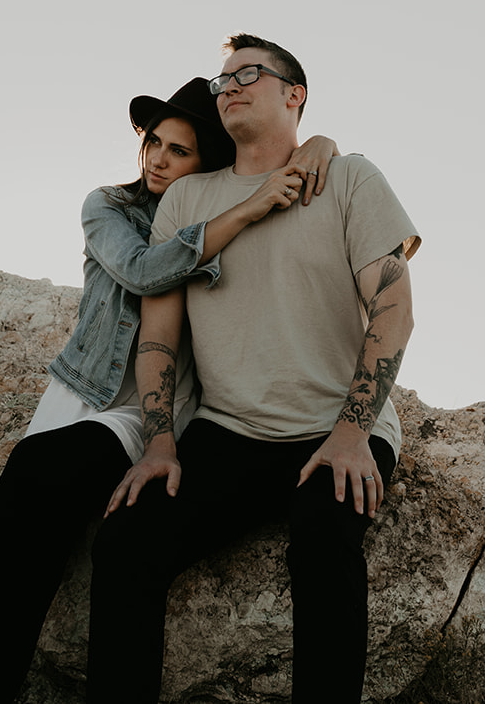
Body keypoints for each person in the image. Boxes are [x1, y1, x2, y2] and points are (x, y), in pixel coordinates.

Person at [0, 76, 338, 704]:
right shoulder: (109, 206)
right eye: (154, 142)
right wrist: (248, 209)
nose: (158, 158)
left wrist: (320, 142)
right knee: (38, 554)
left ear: (205, 159)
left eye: (179, 150)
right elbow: (143, 269)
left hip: (154, 409)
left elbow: (296, 159)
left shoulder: (211, 208)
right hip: (83, 390)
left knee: (36, 468)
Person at [86, 34, 420, 703]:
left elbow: (393, 308)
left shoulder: (350, 178)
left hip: (336, 426)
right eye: (221, 79)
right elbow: (158, 333)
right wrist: (158, 442)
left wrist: (353, 432)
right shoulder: (187, 201)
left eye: (249, 73)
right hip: (229, 431)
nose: (228, 85)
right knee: (126, 539)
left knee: (324, 547)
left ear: (294, 94)